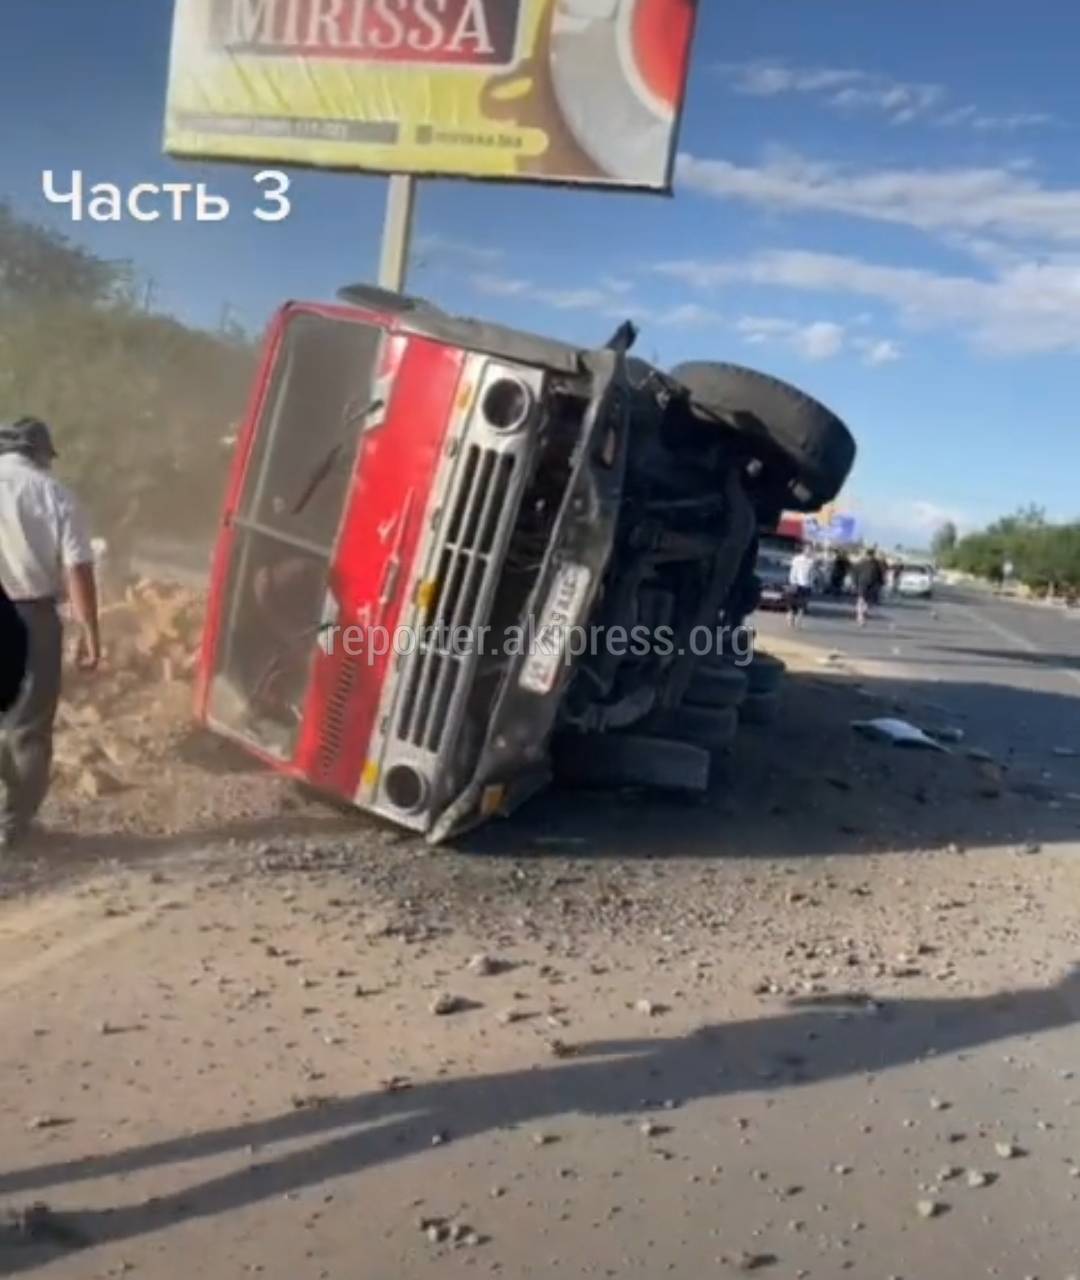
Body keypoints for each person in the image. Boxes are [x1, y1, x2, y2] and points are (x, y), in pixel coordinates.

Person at [0, 417, 100, 853]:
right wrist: (90, 631)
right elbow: (77, 566)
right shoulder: (55, 493)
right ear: (42, 453)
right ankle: (14, 825)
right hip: (32, 617)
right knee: (28, 726)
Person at [786, 544, 816, 628]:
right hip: (796, 585)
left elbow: (812, 575)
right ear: (804, 550)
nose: (809, 551)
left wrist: (811, 584)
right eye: (807, 549)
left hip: (806, 586)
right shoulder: (797, 559)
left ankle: (798, 622)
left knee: (802, 606)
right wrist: (792, 582)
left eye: (810, 550)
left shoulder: (812, 562)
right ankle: (791, 618)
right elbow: (793, 571)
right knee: (792, 605)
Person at [852, 548, 880, 626]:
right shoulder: (861, 563)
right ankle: (860, 618)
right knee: (861, 600)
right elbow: (855, 573)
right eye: (869, 555)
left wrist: (880, 583)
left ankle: (862, 614)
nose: (870, 557)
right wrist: (854, 583)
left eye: (872, 555)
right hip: (862, 584)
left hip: (872, 585)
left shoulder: (876, 564)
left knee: (868, 603)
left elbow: (879, 574)